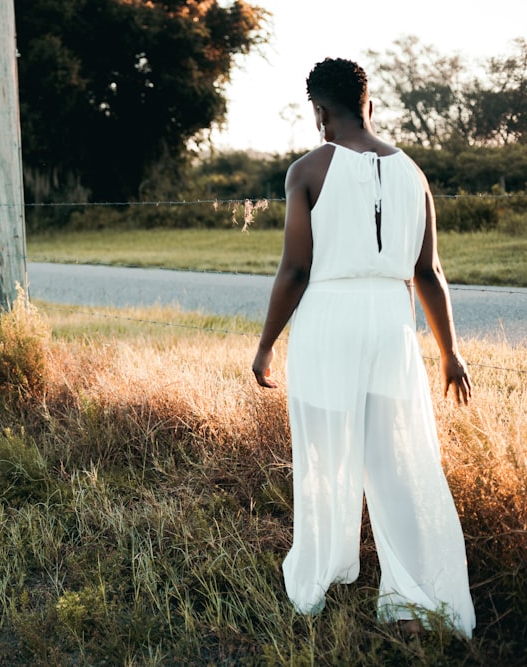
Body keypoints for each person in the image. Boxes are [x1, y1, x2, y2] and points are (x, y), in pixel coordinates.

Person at [251, 58, 475, 637]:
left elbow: (296, 269)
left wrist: (266, 344)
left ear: (320, 112)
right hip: (392, 325)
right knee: (399, 460)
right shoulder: (414, 174)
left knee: (325, 453)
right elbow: (429, 272)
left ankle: (320, 574)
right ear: (368, 103)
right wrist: (450, 353)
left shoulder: (306, 170)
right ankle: (415, 597)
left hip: (329, 322)